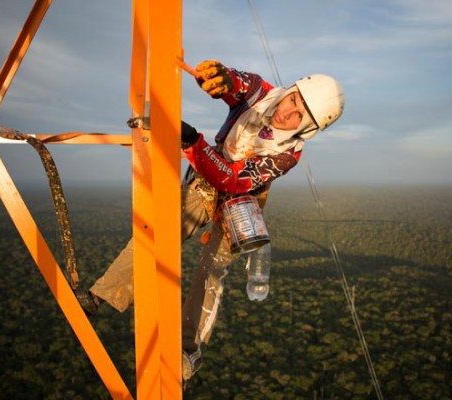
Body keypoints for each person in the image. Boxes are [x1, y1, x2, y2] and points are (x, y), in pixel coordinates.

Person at [76, 60, 344, 381]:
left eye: (300, 116)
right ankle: (103, 294)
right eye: (293, 100)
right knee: (159, 232)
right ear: (289, 91)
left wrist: (193, 142)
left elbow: (232, 179)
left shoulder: (288, 154)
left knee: (211, 269)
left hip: (240, 200)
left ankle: (188, 351)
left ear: (308, 129)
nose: (288, 113)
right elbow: (236, 85)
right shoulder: (260, 93)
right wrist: (220, 77)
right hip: (205, 180)